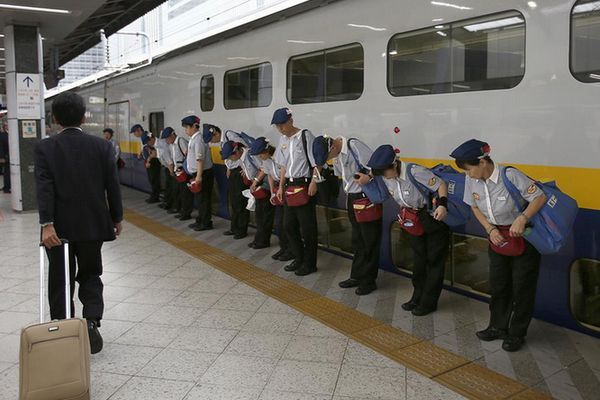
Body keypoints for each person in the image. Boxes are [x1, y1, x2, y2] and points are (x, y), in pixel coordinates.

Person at [34, 91, 123, 354]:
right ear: (84, 117)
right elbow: (112, 186)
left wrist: (46, 223)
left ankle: (63, 327)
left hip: (58, 229)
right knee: (91, 272)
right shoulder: (102, 146)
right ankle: (92, 321)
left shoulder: (44, 147)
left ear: (55, 119)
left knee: (60, 277)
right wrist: (116, 217)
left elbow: (44, 189)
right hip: (93, 225)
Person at [450, 139, 546, 352]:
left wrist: (522, 218)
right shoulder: (472, 181)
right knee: (499, 284)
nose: (468, 174)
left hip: (524, 238)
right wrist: (490, 230)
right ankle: (497, 326)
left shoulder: (509, 176)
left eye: (469, 169)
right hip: (497, 238)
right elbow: (474, 206)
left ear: (482, 162)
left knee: (522, 287)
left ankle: (517, 332)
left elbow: (539, 197)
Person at [368, 145, 449, 315]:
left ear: (395, 165)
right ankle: (417, 295)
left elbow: (440, 185)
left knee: (434, 261)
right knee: (419, 259)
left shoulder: (415, 171)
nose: (385, 177)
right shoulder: (386, 175)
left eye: (386, 172)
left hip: (430, 217)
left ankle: (429, 301)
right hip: (411, 219)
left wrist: (442, 204)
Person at [313, 135, 381, 295]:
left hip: (366, 198)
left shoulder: (354, 146)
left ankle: (369, 281)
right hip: (352, 199)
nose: (330, 159)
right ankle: (357, 276)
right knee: (357, 239)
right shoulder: (337, 155)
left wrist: (369, 177)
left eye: (328, 156)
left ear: (333, 147)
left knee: (369, 240)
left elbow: (377, 167)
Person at [272, 108, 319, 276]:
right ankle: (298, 257)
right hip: (289, 186)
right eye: (277, 126)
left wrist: (314, 182)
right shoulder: (283, 139)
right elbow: (284, 165)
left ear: (291, 120)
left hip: (305, 184)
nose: (280, 129)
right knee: (288, 225)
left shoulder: (305, 136)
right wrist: (281, 186)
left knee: (308, 228)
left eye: (282, 125)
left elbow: (317, 163)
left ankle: (310, 263)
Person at [203, 124, 254, 236]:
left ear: (215, 133)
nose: (212, 142)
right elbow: (228, 156)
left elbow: (246, 149)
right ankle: (234, 227)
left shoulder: (229, 135)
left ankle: (241, 229)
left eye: (211, 138)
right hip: (233, 172)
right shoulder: (222, 140)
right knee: (234, 201)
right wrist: (229, 168)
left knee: (240, 201)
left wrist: (244, 167)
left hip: (240, 172)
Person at [221, 140, 258, 239]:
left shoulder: (249, 154)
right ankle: (234, 227)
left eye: (230, 157)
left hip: (253, 182)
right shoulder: (240, 157)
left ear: (236, 152)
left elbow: (262, 167)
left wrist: (250, 176)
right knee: (234, 203)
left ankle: (242, 230)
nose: (230, 160)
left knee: (241, 204)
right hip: (242, 178)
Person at [183, 115, 214, 230]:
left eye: (186, 128)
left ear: (193, 127)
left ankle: (205, 223)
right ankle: (200, 220)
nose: (185, 130)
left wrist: (199, 176)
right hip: (198, 173)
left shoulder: (198, 140)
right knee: (200, 199)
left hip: (203, 173)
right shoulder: (194, 139)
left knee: (204, 199)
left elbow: (200, 160)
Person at [248, 137, 278, 250]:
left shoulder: (279, 157)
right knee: (260, 215)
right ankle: (259, 239)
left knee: (268, 218)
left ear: (266, 151)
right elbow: (268, 173)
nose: (260, 157)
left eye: (260, 154)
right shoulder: (267, 160)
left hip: (282, 189)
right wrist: (272, 192)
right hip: (272, 190)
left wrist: (276, 190)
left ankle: (263, 241)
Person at [156, 128, 176, 211]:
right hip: (168, 168)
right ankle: (168, 202)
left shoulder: (168, 146)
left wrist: (171, 171)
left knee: (173, 187)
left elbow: (170, 161)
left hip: (172, 168)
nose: (165, 140)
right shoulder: (167, 145)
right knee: (169, 186)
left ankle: (173, 205)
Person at [141, 133, 161, 203]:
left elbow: (154, 154)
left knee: (154, 180)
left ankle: (155, 197)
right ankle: (154, 196)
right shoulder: (149, 145)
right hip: (151, 164)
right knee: (152, 180)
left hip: (154, 164)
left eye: (148, 141)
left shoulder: (156, 144)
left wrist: (148, 160)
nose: (147, 143)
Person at [0, 119, 10, 193]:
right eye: (6, 125)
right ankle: (6, 187)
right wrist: (2, 157)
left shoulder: (14, 133)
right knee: (7, 172)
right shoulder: (2, 135)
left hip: (13, 156)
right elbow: (1, 147)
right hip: (6, 156)